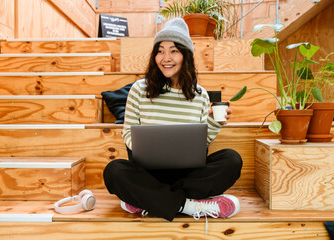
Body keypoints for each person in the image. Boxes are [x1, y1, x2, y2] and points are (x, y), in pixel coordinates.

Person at [103, 18, 243, 222]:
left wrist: (213, 123)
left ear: (186, 55)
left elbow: (200, 145)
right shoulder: (139, 89)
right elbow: (128, 132)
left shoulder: (200, 95)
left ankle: (147, 199)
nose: (165, 58)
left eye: (174, 50)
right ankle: (189, 205)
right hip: (148, 173)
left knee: (231, 160)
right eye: (160, 50)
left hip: (186, 175)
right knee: (114, 171)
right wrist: (145, 149)